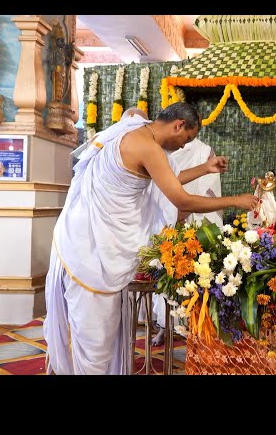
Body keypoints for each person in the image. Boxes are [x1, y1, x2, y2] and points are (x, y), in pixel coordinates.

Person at [43, 101, 257, 375]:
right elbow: (180, 198)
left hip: (84, 242)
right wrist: (236, 201)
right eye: (187, 139)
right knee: (95, 338)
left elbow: (169, 177)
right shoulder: (147, 145)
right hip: (93, 254)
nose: (183, 146)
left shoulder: (136, 135)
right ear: (178, 125)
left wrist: (205, 168)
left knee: (98, 334)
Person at [148, 136, 223, 346]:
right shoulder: (160, 150)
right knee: (166, 277)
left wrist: (186, 209)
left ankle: (194, 326)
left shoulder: (204, 150)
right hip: (167, 223)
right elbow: (161, 185)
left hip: (195, 224)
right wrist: (172, 212)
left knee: (193, 279)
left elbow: (210, 189)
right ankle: (164, 326)